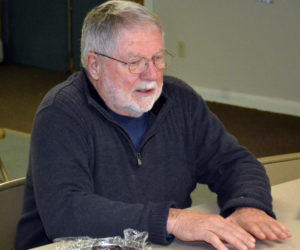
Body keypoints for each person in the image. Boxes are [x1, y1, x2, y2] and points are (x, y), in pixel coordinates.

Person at [15, 1, 291, 249]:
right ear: (95, 65)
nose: (152, 75)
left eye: (158, 58)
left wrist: (247, 205)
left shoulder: (179, 101)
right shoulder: (61, 113)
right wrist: (171, 220)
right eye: (134, 62)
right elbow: (66, 213)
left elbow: (234, 162)